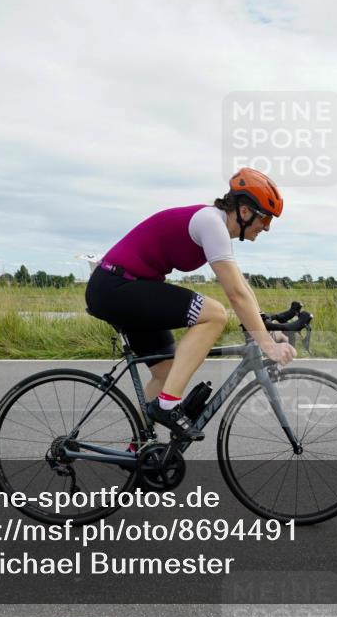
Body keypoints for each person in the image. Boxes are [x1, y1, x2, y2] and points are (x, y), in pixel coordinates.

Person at [85, 168, 296, 441]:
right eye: (265, 218)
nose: (266, 226)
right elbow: (235, 295)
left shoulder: (215, 226)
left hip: (128, 287)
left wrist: (265, 326)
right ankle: (168, 405)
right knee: (214, 314)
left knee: (168, 373)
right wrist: (267, 345)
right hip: (116, 286)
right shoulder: (211, 222)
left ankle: (139, 452)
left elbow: (242, 287)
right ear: (244, 211)